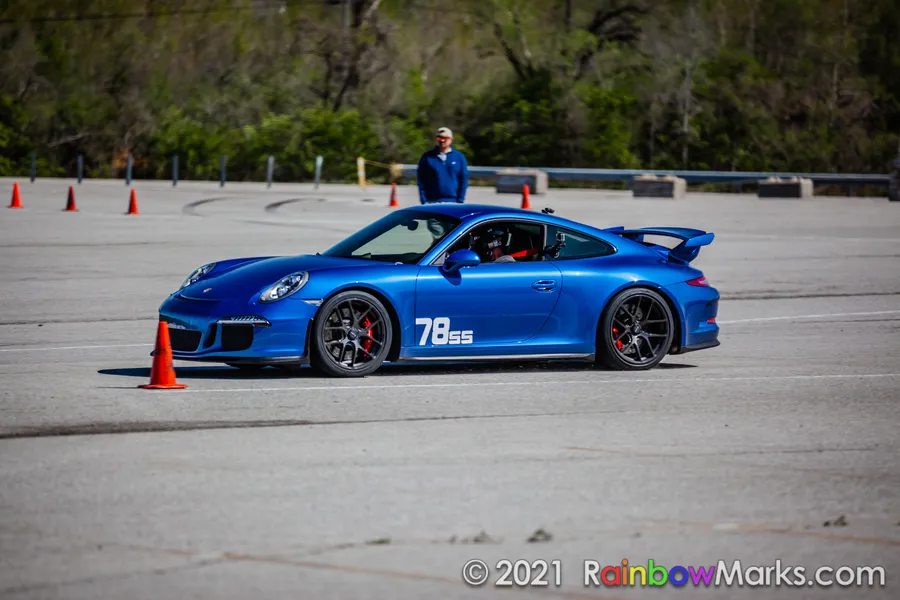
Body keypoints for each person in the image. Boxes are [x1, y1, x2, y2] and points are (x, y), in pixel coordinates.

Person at [417, 127, 468, 204]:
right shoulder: (427, 157)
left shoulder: (459, 157)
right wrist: (424, 200)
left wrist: (460, 200)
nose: (442, 140)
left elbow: (463, 179)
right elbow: (421, 180)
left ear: (451, 139)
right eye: (439, 138)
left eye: (445, 138)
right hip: (432, 201)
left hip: (453, 201)